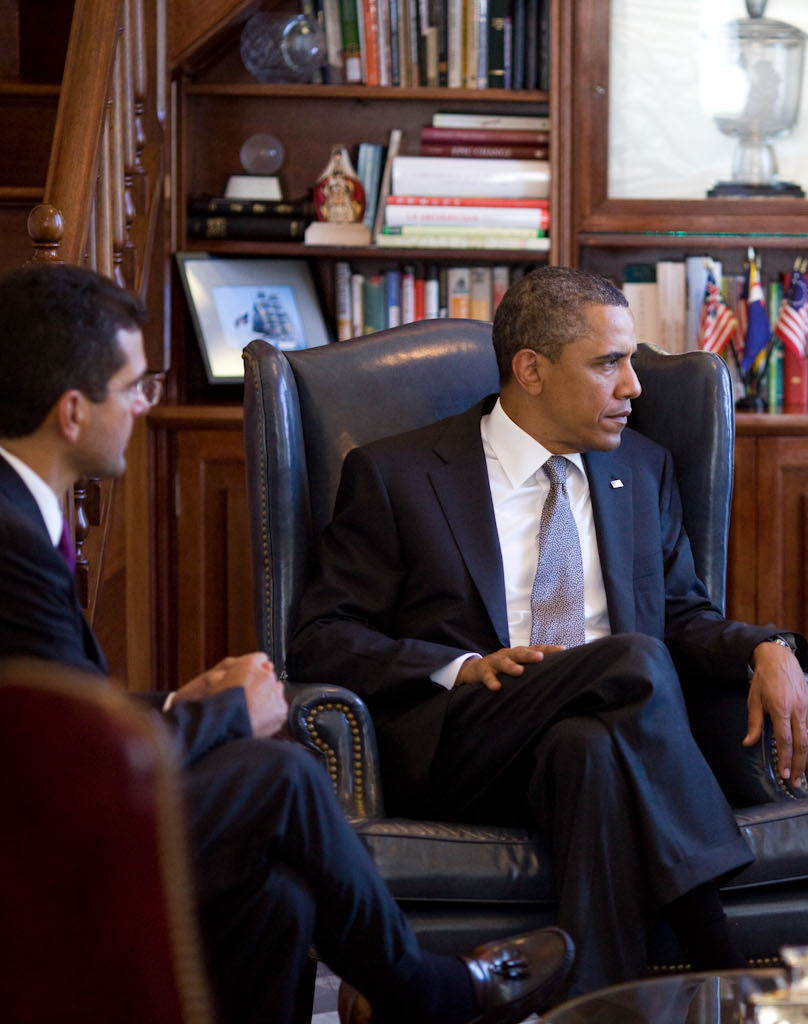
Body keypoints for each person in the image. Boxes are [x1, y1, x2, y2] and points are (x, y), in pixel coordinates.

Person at [0, 263, 574, 1024]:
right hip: (34, 848)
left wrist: (176, 703)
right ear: (72, 411)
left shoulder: (20, 514)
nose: (146, 404)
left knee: (281, 896)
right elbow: (70, 768)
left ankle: (420, 990)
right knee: (280, 773)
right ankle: (427, 992)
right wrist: (228, 716)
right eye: (136, 386)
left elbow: (46, 714)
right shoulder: (11, 542)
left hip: (47, 810)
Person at [287, 265, 808, 995]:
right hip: (464, 741)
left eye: (631, 361)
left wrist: (768, 645)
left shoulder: (644, 467)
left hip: (590, 746)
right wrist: (463, 666)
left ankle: (603, 1010)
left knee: (590, 747)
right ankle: (714, 943)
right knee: (630, 657)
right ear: (530, 370)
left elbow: (684, 615)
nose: (633, 386)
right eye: (608, 363)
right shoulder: (398, 474)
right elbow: (323, 637)